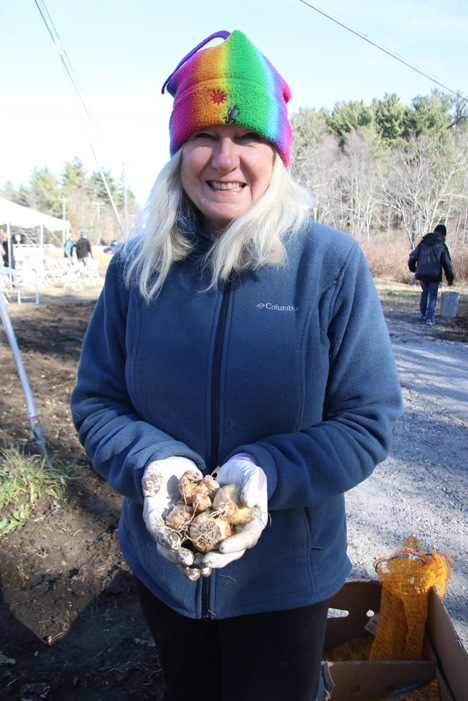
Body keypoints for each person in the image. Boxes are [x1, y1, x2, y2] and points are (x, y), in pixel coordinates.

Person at [71, 30, 402, 701]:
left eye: (247, 136)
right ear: (177, 151)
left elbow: (367, 422)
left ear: (277, 152)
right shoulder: (135, 270)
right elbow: (97, 401)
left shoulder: (330, 266)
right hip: (165, 571)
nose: (225, 159)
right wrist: (153, 465)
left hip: (285, 582)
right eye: (205, 135)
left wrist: (265, 472)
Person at [408, 224, 454, 325]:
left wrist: (413, 268)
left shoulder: (423, 242)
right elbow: (447, 264)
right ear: (443, 235)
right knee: (433, 295)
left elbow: (412, 257)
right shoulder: (442, 246)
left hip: (422, 273)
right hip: (434, 274)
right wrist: (450, 278)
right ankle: (430, 318)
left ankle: (422, 314)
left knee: (425, 292)